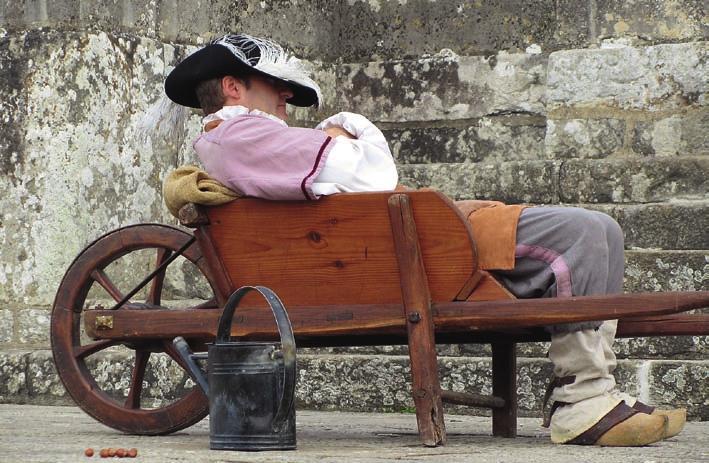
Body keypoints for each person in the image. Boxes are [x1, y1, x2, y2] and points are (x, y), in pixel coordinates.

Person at [161, 33, 686, 446]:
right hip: (414, 247)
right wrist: (344, 130)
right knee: (588, 231)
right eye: (276, 87)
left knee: (600, 231)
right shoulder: (241, 135)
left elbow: (351, 176)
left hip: (413, 237)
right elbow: (370, 177)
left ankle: (593, 392)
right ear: (233, 87)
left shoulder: (246, 138)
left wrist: (334, 135)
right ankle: (583, 403)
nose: (287, 98)